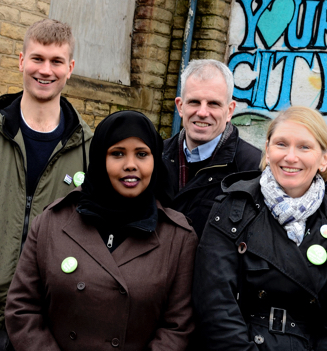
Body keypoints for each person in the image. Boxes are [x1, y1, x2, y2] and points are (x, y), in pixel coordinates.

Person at [5, 111, 198, 351]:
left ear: (155, 160)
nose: (130, 165)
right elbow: (22, 308)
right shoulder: (52, 222)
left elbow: (177, 327)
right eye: (117, 154)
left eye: (142, 154)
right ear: (99, 158)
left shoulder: (178, 238)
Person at [193, 106, 327, 350]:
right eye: (281, 144)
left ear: (324, 158)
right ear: (268, 150)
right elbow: (214, 305)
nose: (291, 157)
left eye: (304, 147)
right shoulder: (231, 209)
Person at [0, 19, 92, 348]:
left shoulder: (89, 149)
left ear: (70, 68)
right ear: (21, 60)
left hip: (44, 323)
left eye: (56, 61)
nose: (45, 70)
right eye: (37, 58)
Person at [162, 59, 261, 238]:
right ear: (180, 106)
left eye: (213, 104)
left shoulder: (253, 170)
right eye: (194, 102)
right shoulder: (155, 157)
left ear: (229, 111)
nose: (202, 112)